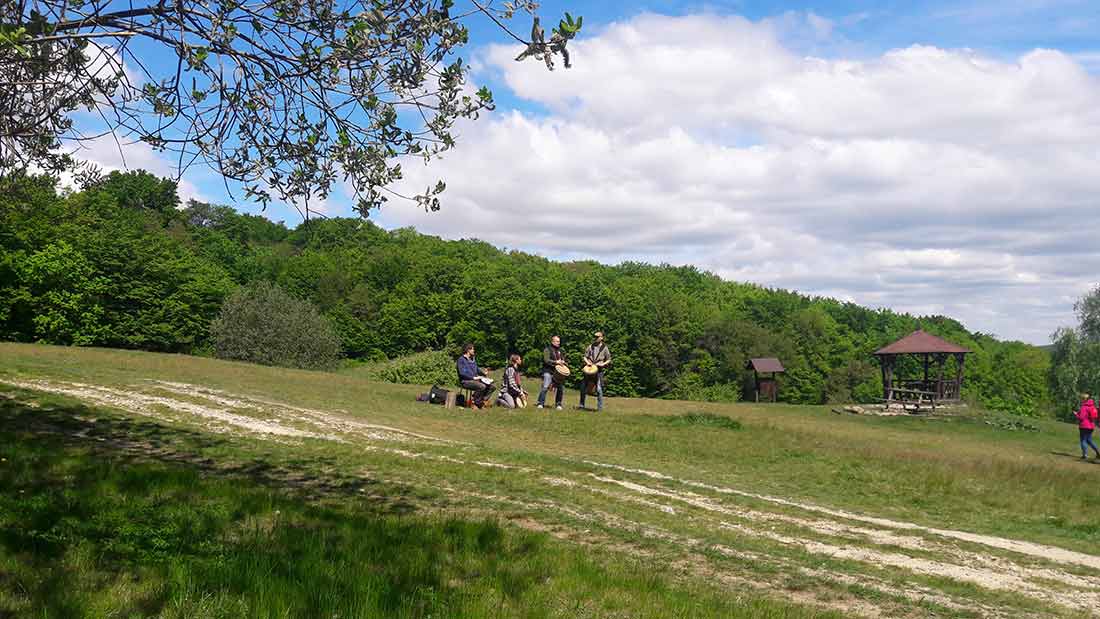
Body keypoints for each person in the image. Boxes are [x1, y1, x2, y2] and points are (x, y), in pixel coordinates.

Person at [580, 331, 611, 411]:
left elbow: (609, 359)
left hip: (599, 370)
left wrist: (603, 364)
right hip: (589, 369)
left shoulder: (605, 348)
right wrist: (587, 362)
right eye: (595, 337)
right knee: (583, 387)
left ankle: (599, 408)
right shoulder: (590, 346)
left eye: (598, 337)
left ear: (602, 338)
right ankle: (581, 405)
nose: (596, 338)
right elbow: (585, 357)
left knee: (599, 389)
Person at [456, 343, 493, 409]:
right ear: (468, 350)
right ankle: (476, 403)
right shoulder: (461, 360)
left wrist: (484, 373)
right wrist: (474, 377)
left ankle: (478, 401)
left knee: (491, 387)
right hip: (465, 381)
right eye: (472, 349)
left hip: (475, 380)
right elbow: (462, 373)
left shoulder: (473, 359)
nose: (474, 350)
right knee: (482, 386)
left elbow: (477, 369)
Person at [537, 335, 567, 410]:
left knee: (560, 388)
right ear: (552, 341)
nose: (558, 343)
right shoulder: (547, 349)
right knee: (545, 387)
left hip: (558, 373)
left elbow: (564, 360)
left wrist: (563, 362)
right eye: (557, 341)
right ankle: (540, 403)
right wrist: (556, 362)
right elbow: (546, 360)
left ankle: (558, 404)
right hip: (548, 371)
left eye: (559, 341)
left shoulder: (561, 350)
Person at [1077, 393, 1100, 460]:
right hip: (1091, 426)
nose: (1081, 400)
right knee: (1089, 440)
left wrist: (1076, 415)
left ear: (1084, 399)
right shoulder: (1093, 406)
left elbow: (1081, 418)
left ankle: (1085, 455)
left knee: (1083, 440)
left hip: (1084, 426)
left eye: (1082, 398)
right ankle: (1098, 453)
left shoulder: (1084, 407)